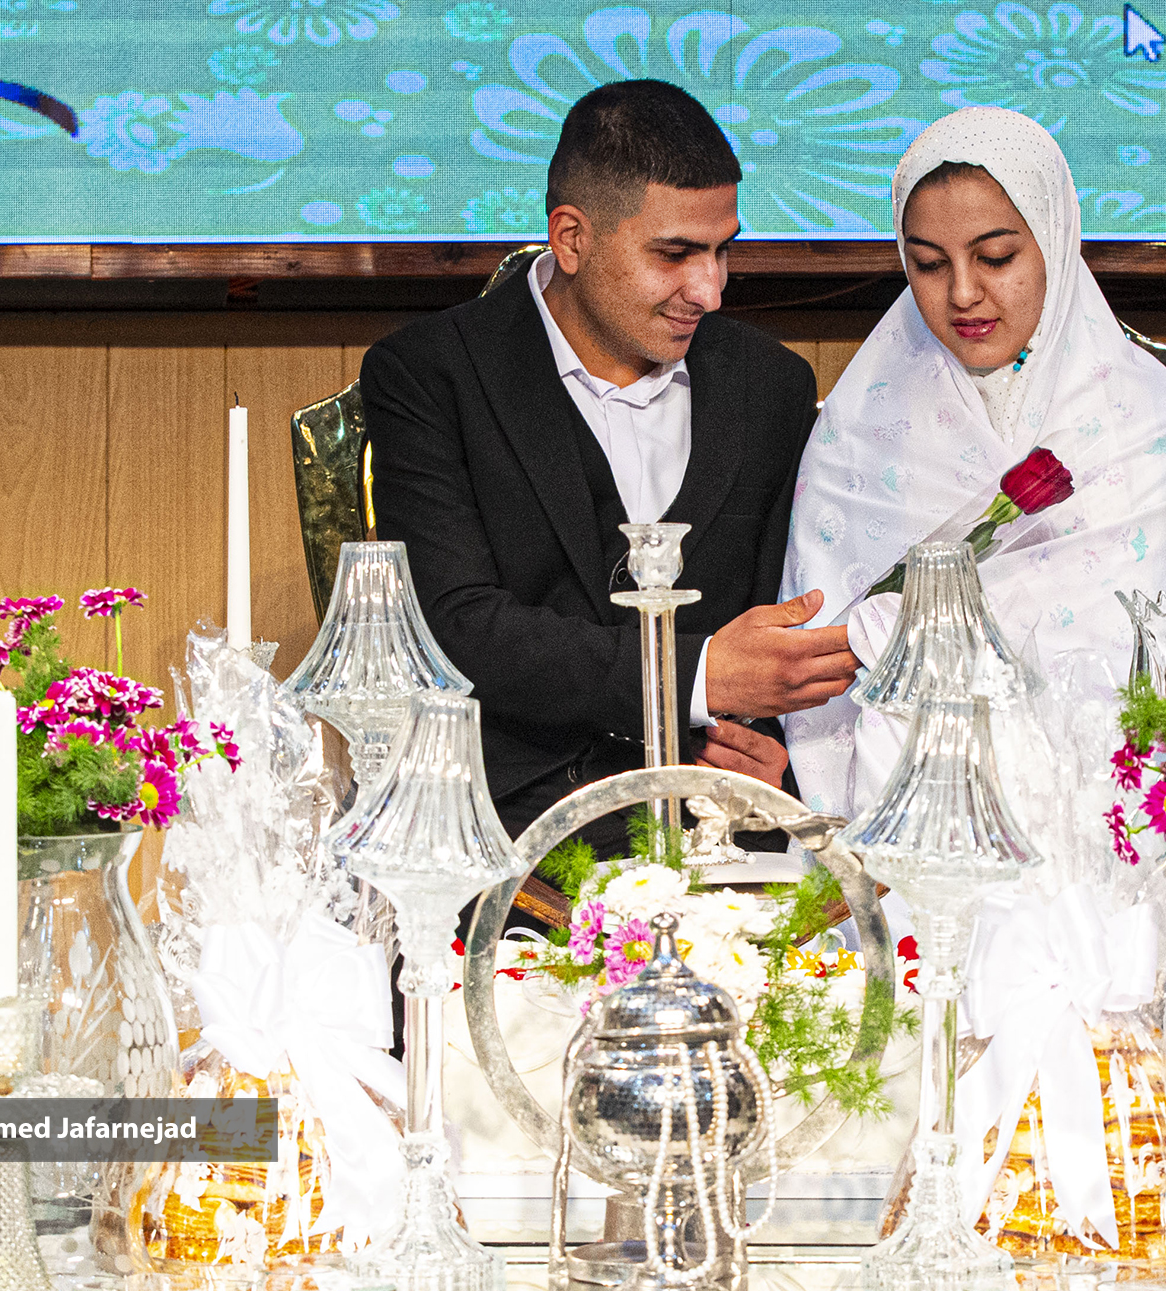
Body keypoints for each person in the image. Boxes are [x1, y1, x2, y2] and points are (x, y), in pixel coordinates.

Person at [361, 79, 859, 854]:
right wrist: (696, 677)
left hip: (719, 833)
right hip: (505, 835)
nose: (710, 290)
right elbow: (454, 627)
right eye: (675, 254)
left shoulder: (772, 385)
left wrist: (776, 760)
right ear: (571, 238)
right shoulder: (430, 374)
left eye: (723, 250)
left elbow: (785, 613)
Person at [781, 106, 1166, 819]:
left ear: (1054, 240)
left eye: (994, 258)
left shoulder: (1153, 431)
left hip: (1104, 815)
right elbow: (824, 663)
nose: (962, 294)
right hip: (906, 805)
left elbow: (1159, 674)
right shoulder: (863, 429)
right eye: (929, 264)